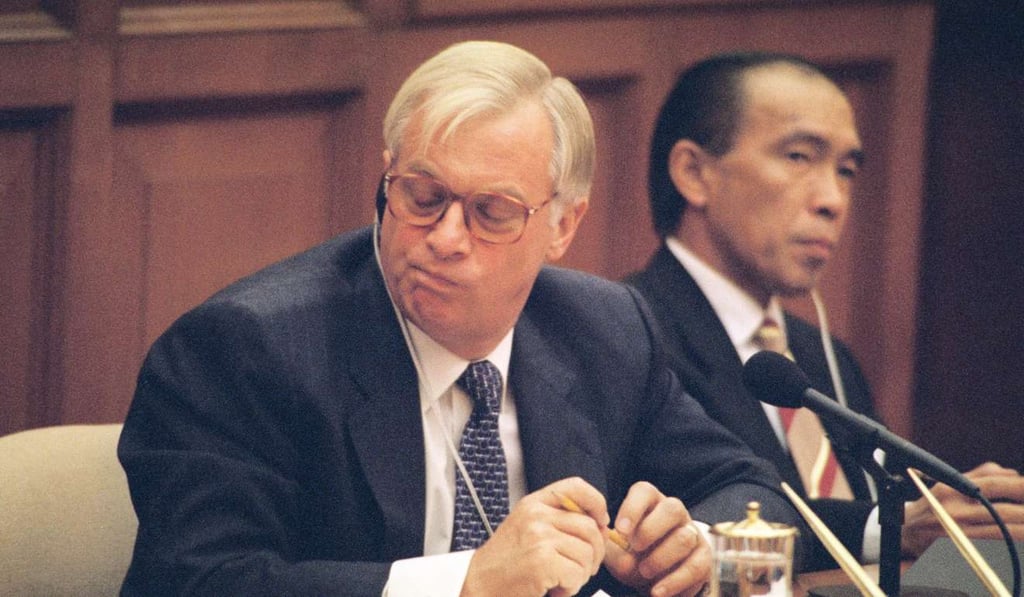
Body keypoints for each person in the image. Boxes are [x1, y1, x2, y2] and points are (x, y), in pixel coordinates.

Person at [117, 41, 808, 597]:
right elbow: (196, 580)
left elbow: (750, 488)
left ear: (563, 225)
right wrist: (466, 581)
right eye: (423, 196)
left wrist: (690, 542)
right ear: (387, 180)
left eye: (492, 212)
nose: (446, 237)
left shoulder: (606, 328)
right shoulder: (247, 348)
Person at [626, 51, 1024, 571]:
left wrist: (957, 516)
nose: (833, 200)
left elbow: (898, 521)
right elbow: (702, 524)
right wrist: (895, 526)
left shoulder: (820, 355)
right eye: (798, 157)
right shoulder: (627, 337)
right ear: (694, 173)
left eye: (846, 169)